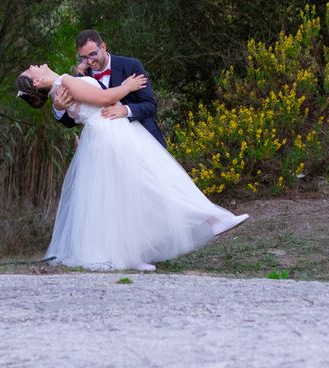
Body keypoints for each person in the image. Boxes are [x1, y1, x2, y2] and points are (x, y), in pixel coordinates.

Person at [17, 64, 249, 271]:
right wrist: (127, 86)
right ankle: (212, 220)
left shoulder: (63, 87)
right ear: (36, 82)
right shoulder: (64, 83)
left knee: (125, 197)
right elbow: (104, 98)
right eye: (30, 70)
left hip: (102, 135)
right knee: (153, 181)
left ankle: (133, 253)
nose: (32, 65)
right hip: (112, 133)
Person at [53, 29, 167, 148]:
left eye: (93, 54)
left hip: (144, 143)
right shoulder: (82, 78)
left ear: (103, 47)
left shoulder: (131, 66)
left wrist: (125, 110)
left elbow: (150, 106)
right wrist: (58, 109)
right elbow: (71, 121)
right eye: (84, 58)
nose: (90, 61)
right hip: (104, 149)